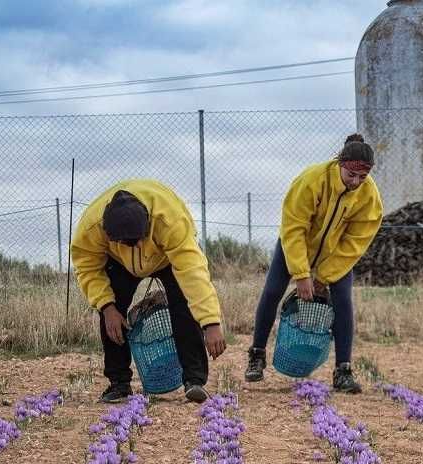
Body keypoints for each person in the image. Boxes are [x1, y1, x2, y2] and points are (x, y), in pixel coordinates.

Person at [244, 134, 383, 393]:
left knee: (342, 301)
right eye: (351, 175)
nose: (356, 182)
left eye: (362, 178)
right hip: (296, 246)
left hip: (335, 255)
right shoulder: (312, 180)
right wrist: (301, 273)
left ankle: (343, 370)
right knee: (273, 291)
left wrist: (323, 277)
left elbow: (356, 243)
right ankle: (257, 354)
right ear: (340, 163)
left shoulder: (369, 196)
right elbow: (293, 226)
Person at [71, 179, 227, 404]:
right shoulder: (91, 227)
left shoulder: (170, 220)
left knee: (184, 303)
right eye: (127, 242)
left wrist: (211, 323)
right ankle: (119, 383)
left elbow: (194, 273)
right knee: (112, 312)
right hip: (120, 262)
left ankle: (194, 380)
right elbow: (86, 266)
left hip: (165, 258)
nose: (135, 246)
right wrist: (106, 306)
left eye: (137, 239)